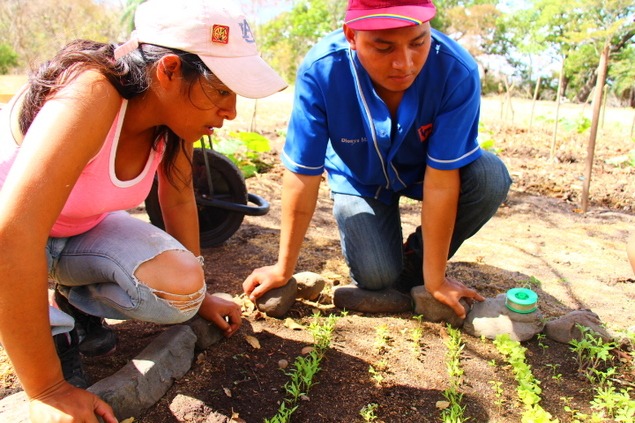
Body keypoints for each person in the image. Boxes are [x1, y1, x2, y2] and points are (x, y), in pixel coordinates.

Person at [0, 0, 287, 421]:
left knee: (182, 291)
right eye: (222, 90)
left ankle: (75, 303)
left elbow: (177, 198)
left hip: (77, 228)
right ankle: (52, 337)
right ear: (169, 70)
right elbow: (13, 232)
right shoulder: (93, 91)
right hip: (11, 232)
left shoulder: (174, 119)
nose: (231, 111)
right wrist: (48, 388)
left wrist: (201, 295)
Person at [243, 0, 511, 318]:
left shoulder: (456, 70)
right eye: (384, 47)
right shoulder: (322, 70)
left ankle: (418, 256)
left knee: (490, 176)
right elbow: (303, 173)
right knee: (377, 278)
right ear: (352, 36)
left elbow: (441, 181)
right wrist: (282, 268)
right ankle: (391, 259)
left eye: (418, 42)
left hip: (425, 174)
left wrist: (435, 281)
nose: (404, 63)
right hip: (359, 177)